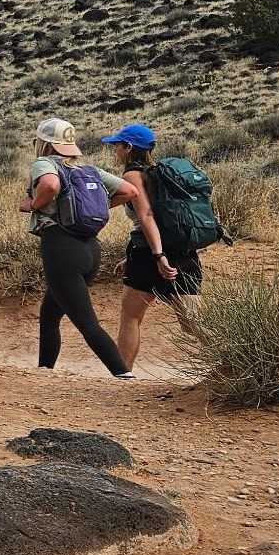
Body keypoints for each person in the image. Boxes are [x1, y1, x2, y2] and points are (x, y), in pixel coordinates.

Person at [17, 118, 171, 380]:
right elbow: (129, 190)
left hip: (61, 247)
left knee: (86, 322)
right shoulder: (87, 170)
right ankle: (44, 371)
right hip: (89, 249)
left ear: (44, 143)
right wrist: (94, 208)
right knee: (50, 312)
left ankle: (122, 374)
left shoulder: (45, 163)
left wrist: (33, 205)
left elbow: (51, 185)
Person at [103, 123, 203, 370]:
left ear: (129, 147)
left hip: (151, 254)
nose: (115, 149)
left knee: (131, 318)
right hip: (182, 251)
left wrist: (157, 255)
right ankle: (237, 362)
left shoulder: (133, 176)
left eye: (117, 145)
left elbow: (147, 216)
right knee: (194, 322)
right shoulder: (162, 174)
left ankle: (122, 374)